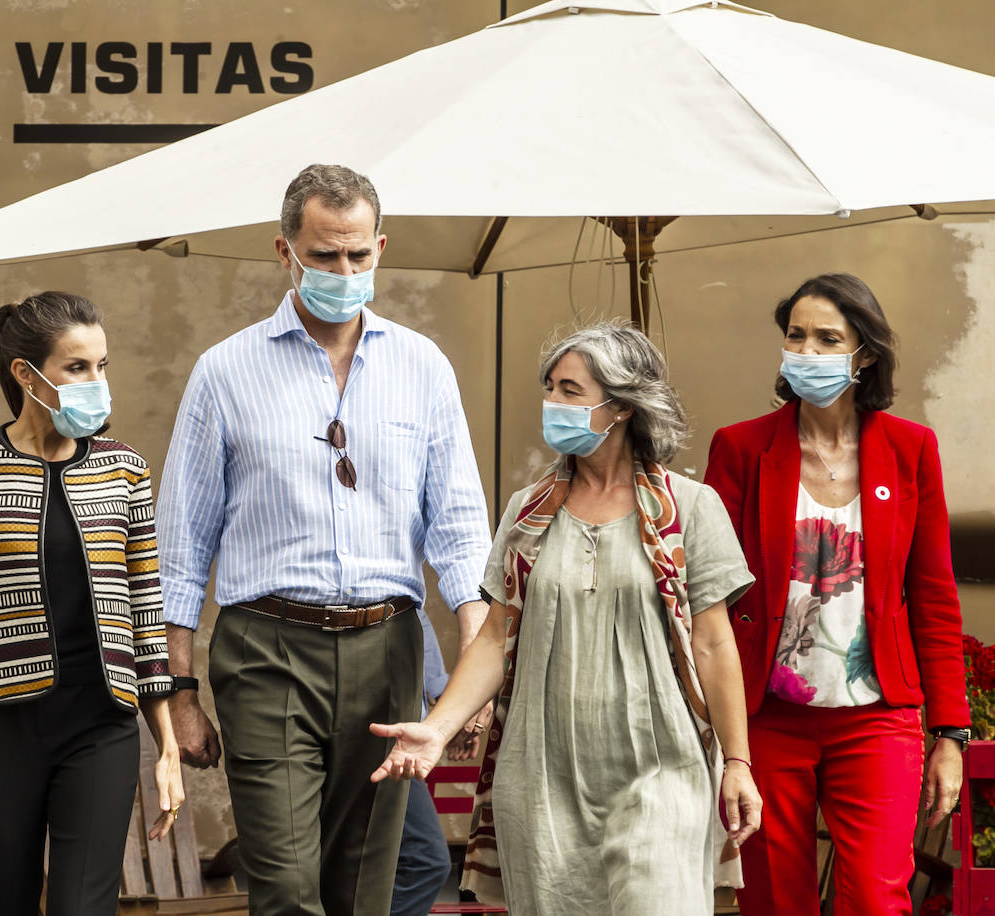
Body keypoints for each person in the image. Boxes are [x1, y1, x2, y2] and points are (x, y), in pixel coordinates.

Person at [156, 163, 493, 916]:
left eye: (358, 255)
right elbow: (179, 553)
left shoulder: (423, 367)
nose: (343, 272)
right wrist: (179, 693)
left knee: (367, 887)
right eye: (323, 256)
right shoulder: (224, 372)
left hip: (389, 647)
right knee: (285, 889)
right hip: (268, 646)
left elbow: (462, 531)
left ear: (380, 246)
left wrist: (473, 668)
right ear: (285, 252)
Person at [372, 323, 763, 914]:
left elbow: (712, 644)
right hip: (542, 771)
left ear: (623, 405)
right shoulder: (526, 512)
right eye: (550, 387)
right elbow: (496, 637)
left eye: (571, 390)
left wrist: (737, 762)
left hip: (661, 764)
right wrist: (440, 727)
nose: (553, 403)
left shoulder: (690, 508)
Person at [0, 291, 183, 916]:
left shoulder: (124, 470)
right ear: (26, 375)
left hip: (101, 725)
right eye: (77, 367)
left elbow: (146, 615)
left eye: (102, 365)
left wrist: (165, 745)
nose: (96, 381)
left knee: (83, 907)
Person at [703, 273, 968, 915]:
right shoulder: (740, 449)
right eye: (796, 336)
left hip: (876, 717)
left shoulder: (911, 450)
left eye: (828, 339)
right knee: (772, 899)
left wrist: (951, 733)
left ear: (865, 353)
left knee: (878, 898)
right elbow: (705, 596)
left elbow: (932, 594)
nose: (807, 352)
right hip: (765, 718)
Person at [391, 611, 459, 916]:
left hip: (404, 730)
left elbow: (418, 617)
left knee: (424, 861)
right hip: (383, 729)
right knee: (426, 860)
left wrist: (448, 700)